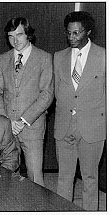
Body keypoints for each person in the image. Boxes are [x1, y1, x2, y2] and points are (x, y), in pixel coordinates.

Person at [0, 17, 54, 186]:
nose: (15, 40)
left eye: (19, 35)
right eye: (11, 36)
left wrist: (23, 120)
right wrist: (8, 121)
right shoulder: (2, 59)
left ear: (28, 35)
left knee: (35, 176)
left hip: (32, 127)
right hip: (8, 127)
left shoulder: (44, 58)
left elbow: (47, 94)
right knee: (8, 175)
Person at [54, 11, 105, 211]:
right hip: (64, 126)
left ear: (88, 32)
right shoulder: (58, 57)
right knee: (64, 177)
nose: (72, 38)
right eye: (69, 33)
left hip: (92, 127)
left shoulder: (103, 56)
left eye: (77, 33)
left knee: (90, 177)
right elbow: (57, 91)